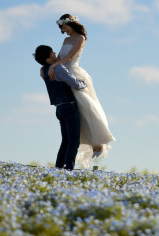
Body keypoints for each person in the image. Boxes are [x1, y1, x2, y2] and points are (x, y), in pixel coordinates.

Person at [47, 13, 115, 168]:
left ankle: (96, 141)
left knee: (85, 107)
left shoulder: (80, 38)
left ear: (71, 24)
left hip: (74, 73)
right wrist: (49, 66)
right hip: (63, 72)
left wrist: (54, 66)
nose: (63, 30)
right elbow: (59, 58)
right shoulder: (65, 40)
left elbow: (70, 57)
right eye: (62, 28)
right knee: (73, 110)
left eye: (64, 27)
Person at [33, 45, 86, 170]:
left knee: (65, 142)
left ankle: (58, 170)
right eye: (52, 53)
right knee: (73, 143)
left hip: (59, 109)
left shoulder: (44, 70)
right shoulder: (58, 69)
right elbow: (75, 84)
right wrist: (84, 82)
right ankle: (68, 171)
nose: (54, 53)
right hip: (69, 107)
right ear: (48, 59)